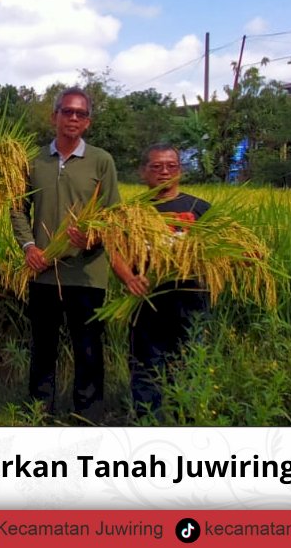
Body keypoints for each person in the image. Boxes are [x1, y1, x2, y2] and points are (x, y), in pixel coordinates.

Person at [11, 86, 121, 423]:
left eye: (81, 114)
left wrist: (92, 238)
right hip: (43, 269)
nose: (73, 118)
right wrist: (29, 247)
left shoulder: (101, 161)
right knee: (43, 346)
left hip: (87, 274)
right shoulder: (33, 160)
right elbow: (17, 209)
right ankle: (38, 411)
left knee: (88, 349)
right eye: (67, 111)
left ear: (88, 122)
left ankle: (87, 416)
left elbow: (112, 216)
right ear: (54, 116)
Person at [124, 144, 211, 421]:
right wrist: (128, 277)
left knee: (188, 370)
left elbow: (224, 247)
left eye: (171, 166)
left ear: (180, 171)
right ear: (143, 172)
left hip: (191, 305)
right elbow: (115, 250)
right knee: (146, 373)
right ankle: (147, 428)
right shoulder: (133, 211)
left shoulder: (199, 208)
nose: (164, 171)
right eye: (156, 166)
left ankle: (186, 429)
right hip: (147, 305)